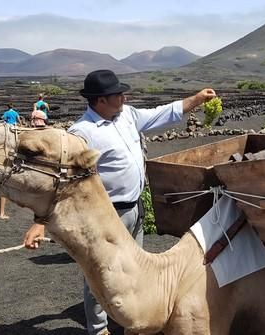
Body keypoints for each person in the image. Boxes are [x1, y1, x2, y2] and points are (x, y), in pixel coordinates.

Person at [23, 69, 216, 335]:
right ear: (101, 100)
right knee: (102, 273)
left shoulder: (127, 115)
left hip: (135, 206)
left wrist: (196, 99)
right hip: (105, 214)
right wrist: (41, 222)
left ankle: (134, 320)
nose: (124, 97)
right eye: (118, 94)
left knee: (134, 269)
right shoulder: (82, 133)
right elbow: (61, 179)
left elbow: (162, 112)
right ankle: (99, 329)